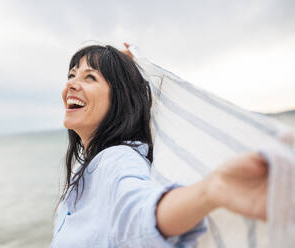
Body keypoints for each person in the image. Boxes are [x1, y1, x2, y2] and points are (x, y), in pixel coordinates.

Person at [50, 44, 268, 247]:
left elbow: (139, 215)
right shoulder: (86, 168)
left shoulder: (116, 159)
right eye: (71, 75)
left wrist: (210, 191)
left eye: (90, 77)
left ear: (120, 98)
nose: (70, 84)